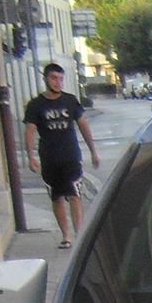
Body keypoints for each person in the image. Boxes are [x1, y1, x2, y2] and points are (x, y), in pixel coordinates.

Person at [23, 63, 101, 249]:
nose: (58, 82)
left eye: (60, 78)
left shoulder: (70, 101)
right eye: (53, 78)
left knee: (74, 194)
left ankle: (79, 233)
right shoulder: (36, 105)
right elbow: (30, 131)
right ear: (46, 79)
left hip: (71, 156)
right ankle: (66, 235)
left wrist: (93, 151)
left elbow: (83, 126)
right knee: (56, 197)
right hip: (49, 158)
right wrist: (31, 156)